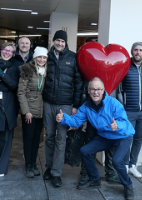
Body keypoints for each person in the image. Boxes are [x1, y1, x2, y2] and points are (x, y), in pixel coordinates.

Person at [56, 77, 135, 200]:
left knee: (117, 161)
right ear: (88, 91)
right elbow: (76, 120)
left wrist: (117, 125)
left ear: (103, 90)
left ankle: (128, 185)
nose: (95, 92)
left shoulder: (113, 103)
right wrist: (64, 118)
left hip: (122, 135)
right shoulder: (86, 107)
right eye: (93, 89)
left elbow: (124, 121)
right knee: (85, 151)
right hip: (105, 136)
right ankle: (94, 179)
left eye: (98, 89)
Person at [43, 30, 83, 187]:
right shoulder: (46, 57)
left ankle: (56, 173)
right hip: (48, 103)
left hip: (65, 105)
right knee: (49, 137)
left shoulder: (73, 58)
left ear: (66, 43)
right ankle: (48, 167)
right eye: (57, 40)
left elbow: (78, 84)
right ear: (53, 41)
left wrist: (76, 105)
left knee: (61, 139)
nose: (59, 43)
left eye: (62, 41)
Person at [78, 82, 123, 186]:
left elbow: (119, 89)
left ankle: (111, 173)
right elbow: (84, 89)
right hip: (93, 110)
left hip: (111, 110)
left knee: (111, 144)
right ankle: (86, 173)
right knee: (90, 144)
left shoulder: (116, 67)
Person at [122, 42, 142, 178]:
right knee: (127, 138)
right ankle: (125, 165)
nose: (138, 52)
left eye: (140, 50)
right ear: (132, 52)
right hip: (129, 110)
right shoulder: (125, 66)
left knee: (138, 139)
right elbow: (119, 86)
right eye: (135, 50)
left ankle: (133, 165)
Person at [18, 47, 48, 178]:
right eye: (39, 57)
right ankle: (28, 165)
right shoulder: (27, 69)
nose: (42, 60)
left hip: (41, 110)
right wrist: (26, 112)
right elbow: (21, 92)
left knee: (37, 139)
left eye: (44, 57)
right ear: (35, 58)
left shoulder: (47, 71)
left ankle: (34, 164)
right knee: (28, 138)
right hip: (30, 110)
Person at [0, 42, 19, 176]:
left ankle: (1, 169)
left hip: (8, 106)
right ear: (0, 50)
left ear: (13, 54)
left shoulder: (14, 69)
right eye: (5, 49)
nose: (7, 53)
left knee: (6, 138)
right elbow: (7, 87)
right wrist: (6, 85)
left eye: (10, 51)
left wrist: (2, 76)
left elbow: (14, 86)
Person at [12, 36, 33, 117]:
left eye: (27, 43)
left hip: (29, 98)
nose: (24, 45)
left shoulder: (35, 59)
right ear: (18, 45)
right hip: (13, 96)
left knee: (27, 123)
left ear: (30, 45)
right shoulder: (11, 58)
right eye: (22, 43)